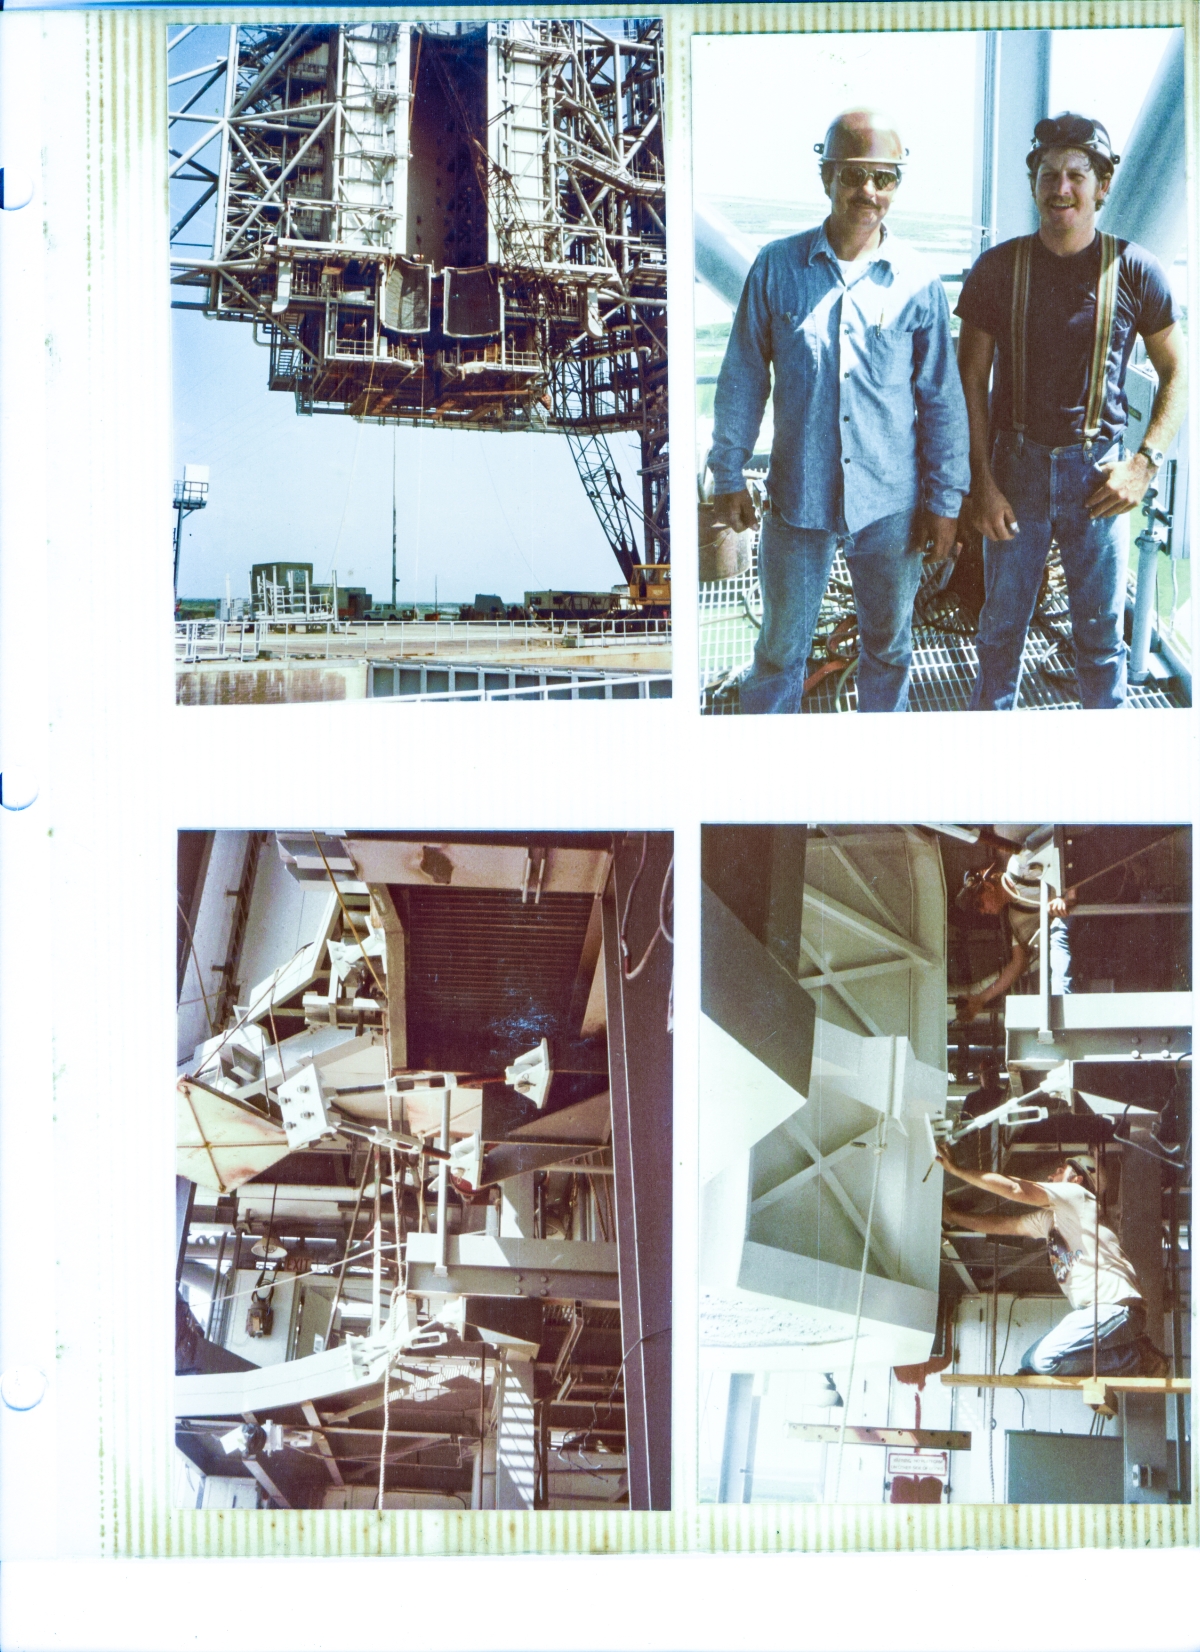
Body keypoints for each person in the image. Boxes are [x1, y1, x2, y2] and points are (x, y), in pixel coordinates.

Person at [709, 109, 970, 713]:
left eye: (884, 178)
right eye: (854, 175)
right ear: (826, 175)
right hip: (799, 500)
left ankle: (882, 781)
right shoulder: (777, 268)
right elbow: (744, 377)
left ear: (897, 186)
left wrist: (945, 503)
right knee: (779, 651)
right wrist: (727, 473)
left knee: (889, 646)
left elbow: (940, 400)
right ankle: (763, 790)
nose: (869, 192)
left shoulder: (917, 283)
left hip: (891, 506)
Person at [956, 112, 1188, 710]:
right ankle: (988, 789)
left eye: (1078, 175)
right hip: (1016, 473)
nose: (1062, 188)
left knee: (1100, 640)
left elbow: (1179, 371)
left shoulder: (1136, 270)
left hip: (1099, 478)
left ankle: (1099, 790)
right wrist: (981, 484)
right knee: (1000, 633)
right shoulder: (997, 270)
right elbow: (969, 381)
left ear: (1102, 185)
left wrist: (1144, 464)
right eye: (1049, 174)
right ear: (1034, 182)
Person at [939, 1151, 1168, 1376]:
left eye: (1060, 1171)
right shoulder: (1053, 1220)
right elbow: (1005, 1225)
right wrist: (952, 1217)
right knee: (1028, 1362)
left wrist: (956, 1170)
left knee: (1043, 1361)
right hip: (1095, 1312)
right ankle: (1129, 1352)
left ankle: (1135, 1358)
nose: (1051, 1176)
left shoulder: (1077, 1195)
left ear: (1077, 1179)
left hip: (1116, 1306)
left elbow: (1016, 1189)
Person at [954, 831, 1075, 1018]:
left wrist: (1065, 896)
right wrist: (981, 999)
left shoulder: (1019, 866)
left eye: (979, 903)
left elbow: (1066, 850)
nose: (982, 911)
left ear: (988, 886)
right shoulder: (1015, 917)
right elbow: (1018, 963)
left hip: (1092, 876)